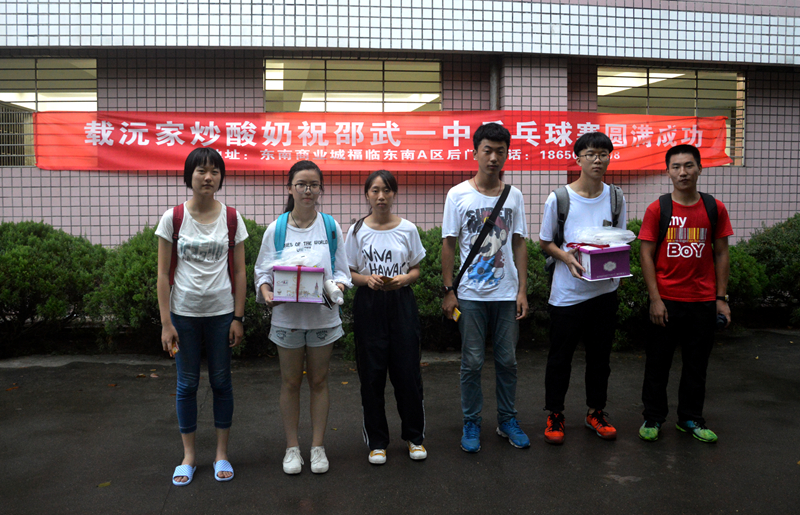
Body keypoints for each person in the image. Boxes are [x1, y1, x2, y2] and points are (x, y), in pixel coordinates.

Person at [155, 147, 248, 486]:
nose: (208, 177)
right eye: (201, 171)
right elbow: (162, 274)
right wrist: (166, 323)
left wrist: (238, 317)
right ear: (189, 176)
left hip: (222, 314)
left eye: (214, 171)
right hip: (184, 315)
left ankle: (221, 454)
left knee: (221, 383)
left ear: (221, 178)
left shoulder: (232, 218)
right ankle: (189, 457)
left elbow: (240, 271)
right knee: (187, 384)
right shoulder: (173, 218)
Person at [254, 160, 351, 474]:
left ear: (320, 188)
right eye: (301, 184)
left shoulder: (330, 227)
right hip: (287, 319)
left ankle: (318, 447)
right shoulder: (277, 229)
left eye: (313, 184)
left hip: (322, 318)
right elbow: (262, 271)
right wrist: (267, 292)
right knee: (291, 382)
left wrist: (337, 286)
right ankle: (292, 448)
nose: (307, 190)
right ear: (290, 188)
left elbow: (342, 271)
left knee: (319, 381)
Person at [441, 122, 530, 453]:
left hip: (506, 294)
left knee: (508, 361)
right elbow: (448, 244)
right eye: (487, 150)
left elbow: (519, 243)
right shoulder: (458, 195)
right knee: (472, 362)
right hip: (470, 295)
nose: (493, 158)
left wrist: (522, 290)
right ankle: (472, 422)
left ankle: (507, 420)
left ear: (506, 155)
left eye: (500, 152)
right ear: (475, 152)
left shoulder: (514, 196)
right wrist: (448, 290)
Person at [637, 144, 732, 443]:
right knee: (657, 364)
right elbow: (646, 254)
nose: (683, 172)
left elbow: (722, 253)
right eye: (676, 167)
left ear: (699, 169)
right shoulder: (658, 209)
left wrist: (721, 299)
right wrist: (655, 299)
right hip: (666, 301)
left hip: (703, 301)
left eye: (689, 165)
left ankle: (690, 418)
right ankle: (653, 417)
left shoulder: (714, 208)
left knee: (696, 365)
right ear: (668, 172)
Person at [538, 131, 626, 445]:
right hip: (567, 294)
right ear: (578, 159)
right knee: (560, 359)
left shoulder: (616, 198)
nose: (597, 160)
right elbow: (545, 241)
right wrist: (567, 257)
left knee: (600, 359)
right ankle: (555, 414)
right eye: (590, 154)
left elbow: (619, 238)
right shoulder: (560, 198)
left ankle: (595, 412)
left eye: (603, 154)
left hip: (604, 293)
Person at [345, 170, 427, 465]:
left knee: (407, 373)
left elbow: (416, 268)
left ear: (394, 194)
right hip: (369, 305)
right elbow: (348, 272)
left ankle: (414, 438)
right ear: (367, 194)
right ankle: (377, 442)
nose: (381, 196)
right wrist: (366, 280)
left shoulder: (408, 229)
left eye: (387, 190)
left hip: (401, 303)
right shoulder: (356, 230)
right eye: (375, 190)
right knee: (371, 375)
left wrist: (405, 279)